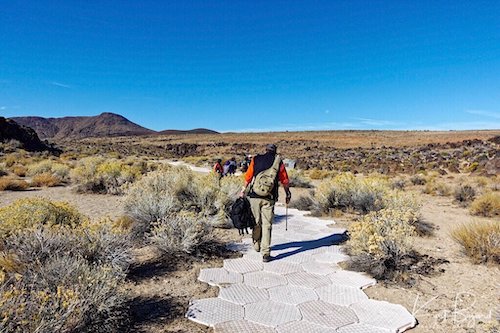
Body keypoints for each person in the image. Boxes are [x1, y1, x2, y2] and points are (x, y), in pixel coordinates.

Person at [240, 144, 291, 262]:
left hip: (254, 196)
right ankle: (266, 253)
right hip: (269, 197)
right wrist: (287, 193)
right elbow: (284, 179)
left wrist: (243, 190)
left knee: (256, 222)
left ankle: (256, 243)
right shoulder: (278, 161)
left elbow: (248, 176)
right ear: (275, 151)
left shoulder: (256, 159)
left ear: (265, 150)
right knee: (267, 225)